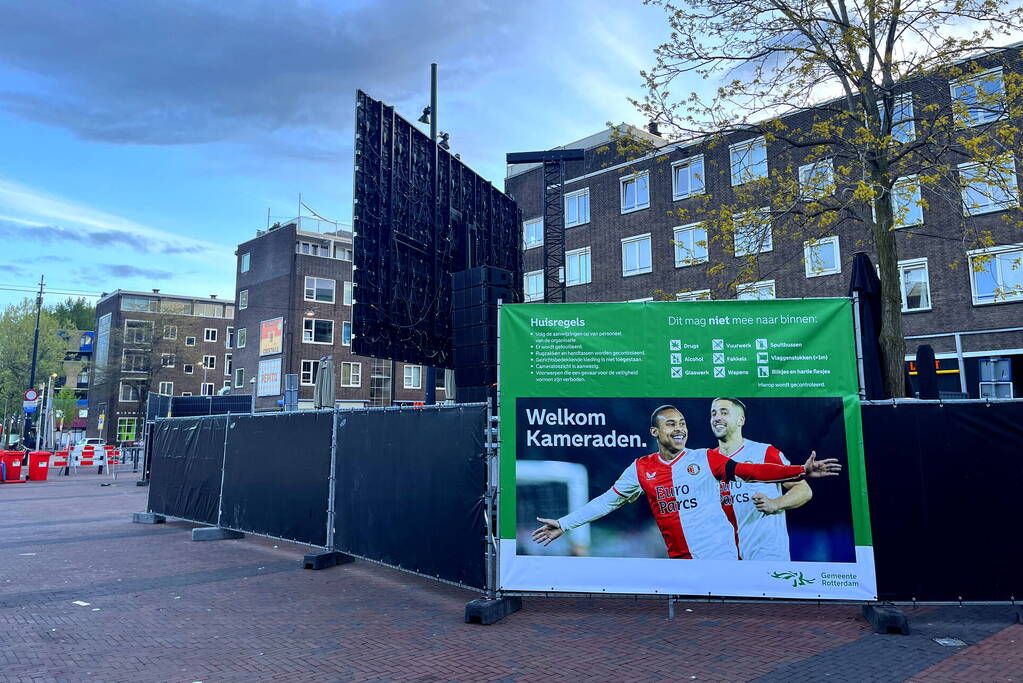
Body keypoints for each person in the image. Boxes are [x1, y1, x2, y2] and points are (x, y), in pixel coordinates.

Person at [532, 405, 841, 559]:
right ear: (655, 433)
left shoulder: (705, 458)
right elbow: (607, 501)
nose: (679, 429)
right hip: (681, 564)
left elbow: (752, 471)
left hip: (723, 560)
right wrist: (566, 523)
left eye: (682, 424)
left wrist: (800, 470)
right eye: (670, 424)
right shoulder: (641, 469)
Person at [710, 397, 812, 561]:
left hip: (766, 554)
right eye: (713, 413)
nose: (717, 418)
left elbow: (804, 490)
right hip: (725, 558)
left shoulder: (764, 452)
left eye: (724, 412)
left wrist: (775, 503)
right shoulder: (708, 461)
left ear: (740, 419)